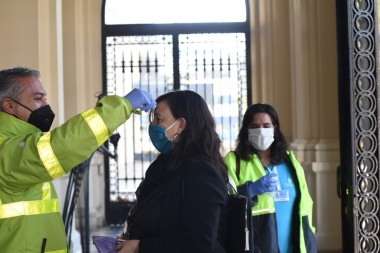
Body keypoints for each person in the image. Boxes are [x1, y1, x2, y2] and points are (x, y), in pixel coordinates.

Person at [0, 66, 156, 253]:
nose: (46, 105)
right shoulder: (6, 149)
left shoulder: (18, 143)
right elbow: (64, 144)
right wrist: (122, 106)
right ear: (9, 105)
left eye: (45, 98)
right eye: (38, 98)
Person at [115, 90, 229, 253]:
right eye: (153, 118)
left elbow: (199, 245)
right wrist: (132, 240)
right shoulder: (165, 163)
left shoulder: (202, 173)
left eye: (158, 119)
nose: (152, 124)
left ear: (181, 125)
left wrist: (140, 246)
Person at [224, 103, 317, 253]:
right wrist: (250, 190)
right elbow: (224, 202)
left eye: (266, 126)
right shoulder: (233, 162)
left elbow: (305, 205)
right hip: (255, 246)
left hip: (294, 246)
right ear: (246, 130)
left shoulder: (290, 161)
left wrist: (310, 240)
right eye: (255, 126)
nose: (261, 131)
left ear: (275, 128)